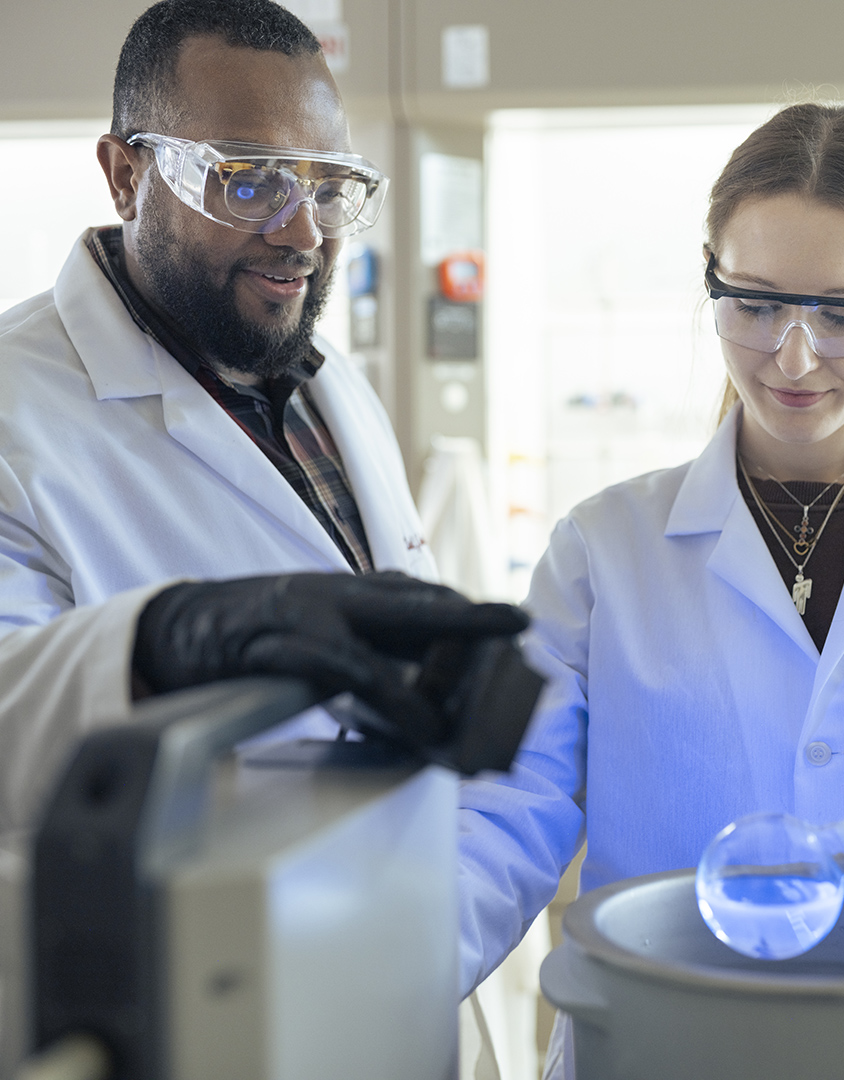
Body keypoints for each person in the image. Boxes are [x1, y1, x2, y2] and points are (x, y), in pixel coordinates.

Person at [457, 103, 844, 1074]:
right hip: (671, 1046)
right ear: (710, 276)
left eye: (841, 312)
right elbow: (499, 828)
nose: (793, 356)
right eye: (753, 303)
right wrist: (343, 988)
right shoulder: (604, 551)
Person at [0, 0, 531, 833]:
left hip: (389, 910)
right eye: (249, 181)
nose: (303, 235)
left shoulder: (332, 387)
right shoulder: (14, 408)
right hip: (177, 943)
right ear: (126, 176)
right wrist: (170, 641)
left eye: (325, 188)